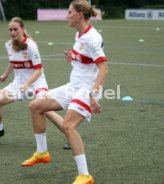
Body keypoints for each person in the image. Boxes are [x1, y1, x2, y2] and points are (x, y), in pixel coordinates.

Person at [21, 1, 108, 184]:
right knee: (36, 106)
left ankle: (85, 176)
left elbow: (103, 68)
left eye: (69, 12)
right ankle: (42, 153)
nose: (67, 16)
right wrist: (73, 57)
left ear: (80, 14)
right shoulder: (79, 35)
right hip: (73, 86)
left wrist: (93, 94)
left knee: (68, 126)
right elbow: (86, 62)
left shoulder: (91, 38)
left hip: (86, 89)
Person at [0, 17, 64, 143]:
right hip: (18, 85)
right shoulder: (8, 45)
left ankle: (69, 133)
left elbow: (39, 70)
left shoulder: (31, 45)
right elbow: (13, 62)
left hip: (37, 83)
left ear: (22, 29)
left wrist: (27, 84)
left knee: (46, 110)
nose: (12, 32)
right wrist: (5, 75)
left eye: (15, 29)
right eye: (10, 30)